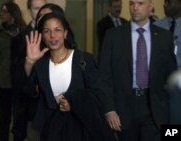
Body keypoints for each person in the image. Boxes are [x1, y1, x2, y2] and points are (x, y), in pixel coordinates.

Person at [24, 13, 114, 141]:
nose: (53, 35)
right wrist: (30, 62)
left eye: (57, 30)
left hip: (80, 130)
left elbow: (99, 95)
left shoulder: (83, 59)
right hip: (51, 131)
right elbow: (29, 91)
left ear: (66, 33)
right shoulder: (41, 64)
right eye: (47, 31)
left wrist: (74, 103)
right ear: (42, 37)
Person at [97, 0, 177, 141]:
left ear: (150, 6)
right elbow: (104, 77)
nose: (135, 8)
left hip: (155, 110)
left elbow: (171, 78)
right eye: (132, 3)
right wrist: (109, 110)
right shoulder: (113, 36)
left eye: (140, 3)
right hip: (123, 110)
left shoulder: (165, 37)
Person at [0, 2, 26, 141]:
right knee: (4, 116)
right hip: (2, 79)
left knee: (18, 115)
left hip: (19, 79)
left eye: (5, 11)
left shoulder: (24, 31)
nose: (1, 14)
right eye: (1, 11)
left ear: (12, 13)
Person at [10, 1, 46, 141]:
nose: (40, 13)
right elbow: (16, 75)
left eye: (43, 8)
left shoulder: (55, 36)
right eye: (36, 8)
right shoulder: (20, 38)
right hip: (30, 102)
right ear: (29, 10)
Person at [154, 0, 181, 124]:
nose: (164, 5)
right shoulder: (156, 26)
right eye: (164, 2)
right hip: (159, 88)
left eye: (169, 2)